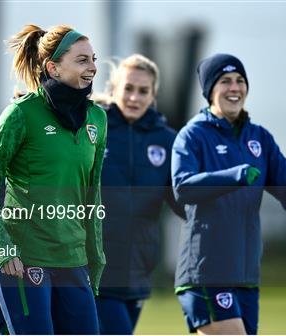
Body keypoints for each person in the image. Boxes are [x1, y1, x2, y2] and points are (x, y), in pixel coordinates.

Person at [171, 53, 286, 335]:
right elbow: (183, 187)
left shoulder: (259, 138)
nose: (235, 88)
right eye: (225, 81)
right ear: (209, 91)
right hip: (206, 271)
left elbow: (285, 176)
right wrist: (235, 176)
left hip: (245, 274)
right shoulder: (192, 136)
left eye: (240, 81)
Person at [0, 24, 106, 335]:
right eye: (82, 60)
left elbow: (92, 194)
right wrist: (4, 249)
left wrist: (95, 257)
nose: (93, 68)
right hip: (21, 260)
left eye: (93, 59)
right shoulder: (21, 114)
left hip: (72, 260)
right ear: (53, 68)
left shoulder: (98, 119)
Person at [93, 54, 185, 334]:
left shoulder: (168, 140)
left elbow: (180, 199)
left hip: (137, 269)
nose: (134, 97)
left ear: (153, 94)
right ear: (114, 89)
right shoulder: (94, 126)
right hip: (93, 267)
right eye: (128, 88)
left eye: (143, 91)